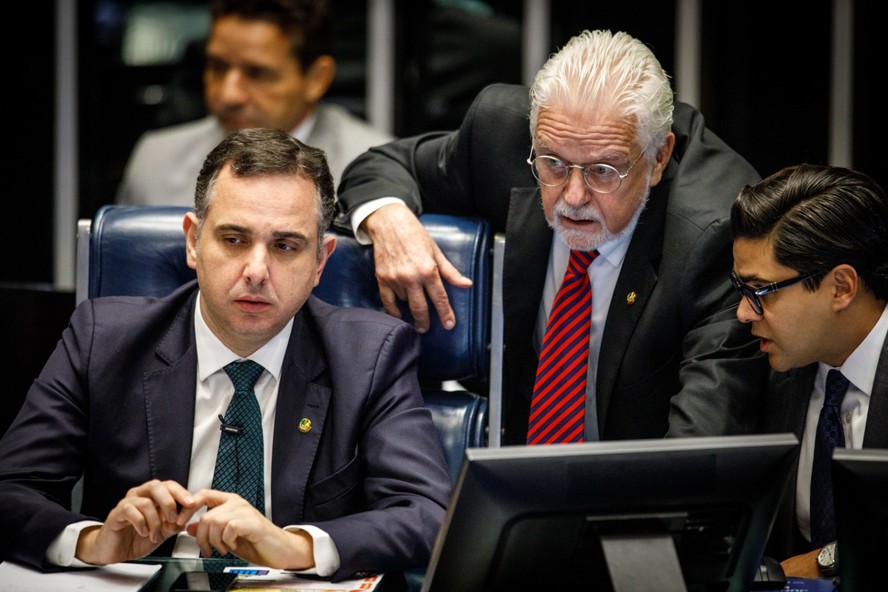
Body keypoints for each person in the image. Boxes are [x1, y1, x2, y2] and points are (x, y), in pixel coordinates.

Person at [0, 128, 451, 584]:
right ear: (194, 242)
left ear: (320, 260)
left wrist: (296, 545)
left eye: (285, 246)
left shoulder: (369, 356)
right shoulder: (104, 339)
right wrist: (92, 542)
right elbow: (11, 489)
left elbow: (428, 514)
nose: (256, 271)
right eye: (234, 240)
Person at [336, 29, 769, 445]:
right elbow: (381, 165)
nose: (573, 197)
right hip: (511, 481)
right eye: (554, 165)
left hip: (635, 502)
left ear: (659, 158)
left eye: (603, 171)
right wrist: (389, 219)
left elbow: (702, 447)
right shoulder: (502, 136)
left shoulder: (714, 233)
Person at [730, 163, 888, 578]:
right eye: (741, 288)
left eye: (760, 291)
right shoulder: (770, 367)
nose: (743, 312)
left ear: (841, 288)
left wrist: (825, 563)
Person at [116, 0, 394, 206]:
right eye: (216, 66)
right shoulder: (156, 162)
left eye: (258, 74)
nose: (229, 94)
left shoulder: (378, 169)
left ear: (317, 79)